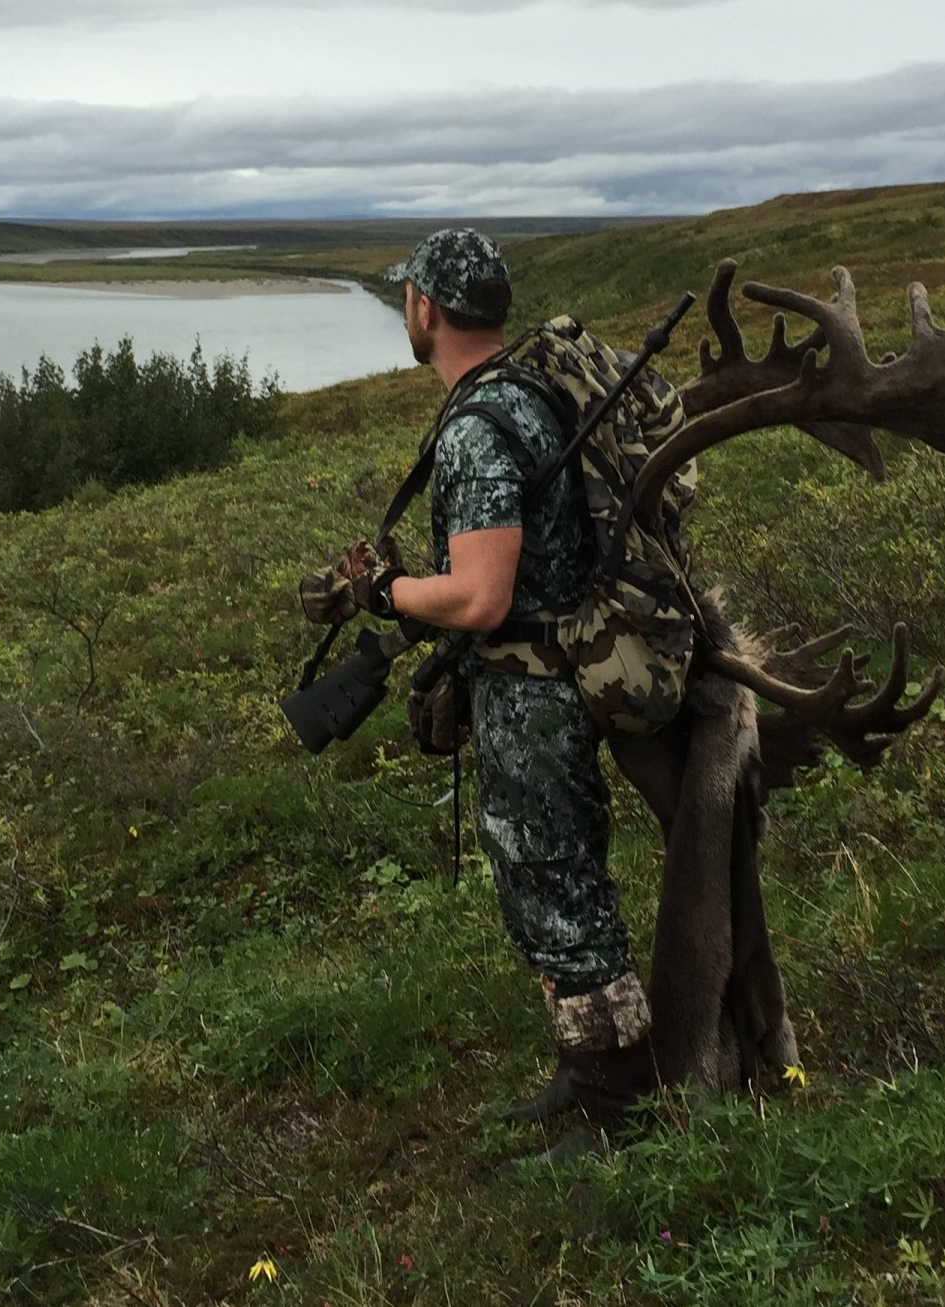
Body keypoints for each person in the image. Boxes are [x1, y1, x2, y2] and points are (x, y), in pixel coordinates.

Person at [301, 229, 656, 1154]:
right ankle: (585, 1076)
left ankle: (621, 1111)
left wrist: (384, 592)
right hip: (548, 677)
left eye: (408, 297)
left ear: (426, 308)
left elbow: (482, 593)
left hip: (532, 696)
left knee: (561, 892)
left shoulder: (475, 427)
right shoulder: (529, 394)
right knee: (552, 885)